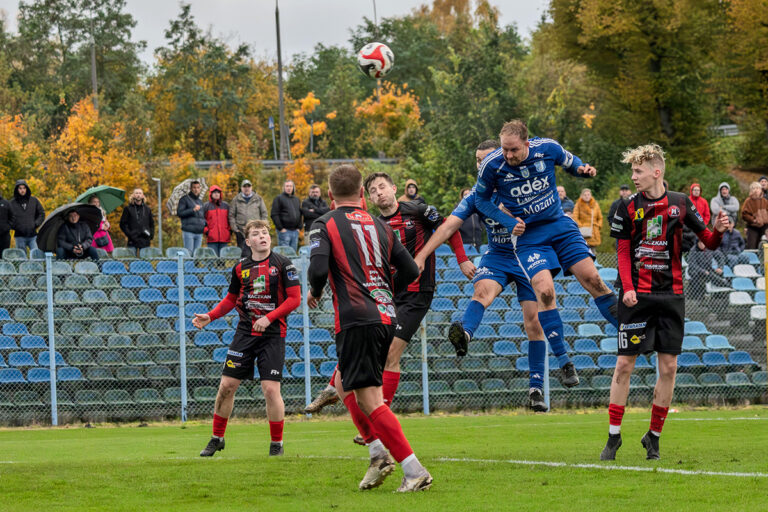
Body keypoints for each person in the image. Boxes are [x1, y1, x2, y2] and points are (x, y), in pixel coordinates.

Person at [418, 140, 579, 411]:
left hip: (528, 253)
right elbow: (447, 227)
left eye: (486, 159)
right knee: (482, 291)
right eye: (478, 160)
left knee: (533, 323)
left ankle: (536, 388)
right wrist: (426, 256)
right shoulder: (476, 196)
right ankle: (464, 335)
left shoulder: (519, 185)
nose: (482, 164)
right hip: (498, 255)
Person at [305, 172, 470, 435]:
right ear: (367, 197)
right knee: (370, 341)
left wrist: (462, 259)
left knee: (391, 352)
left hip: (416, 292)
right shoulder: (375, 225)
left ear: (394, 188)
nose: (378, 192)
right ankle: (334, 386)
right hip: (387, 293)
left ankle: (377, 417)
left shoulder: (417, 210)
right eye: (373, 190)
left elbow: (450, 227)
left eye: (382, 187)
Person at [307, 164, 431, 492]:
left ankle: (413, 470)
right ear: (362, 193)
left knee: (372, 401)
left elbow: (317, 270)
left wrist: (315, 291)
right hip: (386, 315)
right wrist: (383, 290)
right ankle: (377, 455)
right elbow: (410, 270)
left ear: (330, 195)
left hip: (356, 318)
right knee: (344, 384)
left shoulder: (324, 223)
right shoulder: (381, 225)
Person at [601, 144, 728, 461]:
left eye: (638, 171)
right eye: (633, 171)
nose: (634, 177)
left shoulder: (681, 203)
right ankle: (614, 436)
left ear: (656, 172)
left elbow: (709, 241)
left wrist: (719, 231)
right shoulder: (627, 206)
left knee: (669, 367)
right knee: (624, 364)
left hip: (671, 296)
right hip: (636, 297)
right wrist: (627, 288)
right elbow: (622, 252)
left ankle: (653, 437)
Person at [473, 120, 619, 371]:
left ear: (526, 144)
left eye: (513, 150)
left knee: (593, 279)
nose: (508, 155)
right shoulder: (491, 165)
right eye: (504, 149)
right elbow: (481, 201)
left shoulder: (547, 147)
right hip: (529, 237)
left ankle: (629, 332)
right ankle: (564, 362)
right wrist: (508, 221)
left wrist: (582, 169)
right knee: (545, 291)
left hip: (559, 225)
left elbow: (571, 162)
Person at [194, 220, 300, 458]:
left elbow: (294, 299)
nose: (262, 236)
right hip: (244, 333)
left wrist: (269, 318)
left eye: (265, 233)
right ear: (248, 241)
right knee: (226, 386)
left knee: (270, 390)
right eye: (256, 234)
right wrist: (210, 316)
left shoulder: (284, 264)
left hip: (273, 335)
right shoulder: (240, 267)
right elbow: (231, 299)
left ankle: (276, 444)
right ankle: (217, 438)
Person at [228, 179, 268, 250]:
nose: (246, 188)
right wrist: (235, 229)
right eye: (244, 187)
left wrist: (261, 227)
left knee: (256, 250)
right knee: (243, 251)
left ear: (251, 187)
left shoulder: (258, 198)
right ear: (241, 188)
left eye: (248, 186)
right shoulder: (236, 199)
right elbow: (231, 215)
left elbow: (264, 213)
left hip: (255, 230)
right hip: (241, 231)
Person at [9, 179, 45, 252]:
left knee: (36, 256)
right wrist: (16, 226)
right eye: (20, 188)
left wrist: (35, 224)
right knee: (22, 257)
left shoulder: (34, 201)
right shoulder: (12, 203)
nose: (22, 190)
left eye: (24, 188)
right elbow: (7, 218)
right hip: (19, 236)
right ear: (17, 190)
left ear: (26, 189)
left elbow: (41, 213)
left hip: (33, 236)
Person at [119, 188, 154, 255]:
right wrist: (130, 234)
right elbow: (122, 224)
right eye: (136, 193)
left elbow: (152, 224)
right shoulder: (128, 209)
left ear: (143, 195)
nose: (138, 195)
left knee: (145, 260)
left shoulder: (147, 209)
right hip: (132, 239)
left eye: (140, 193)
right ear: (133, 195)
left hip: (145, 239)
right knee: (131, 259)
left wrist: (151, 235)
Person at [270, 180, 302, 252]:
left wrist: (299, 227)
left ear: (293, 188)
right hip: (284, 231)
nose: (289, 188)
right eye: (287, 186)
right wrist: (281, 228)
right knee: (284, 254)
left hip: (295, 231)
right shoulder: (279, 198)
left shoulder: (296, 199)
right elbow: (274, 214)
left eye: (290, 186)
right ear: (284, 188)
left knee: (293, 253)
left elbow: (300, 213)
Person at [177, 180, 206, 254]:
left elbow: (202, 216)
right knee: (189, 253)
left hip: (199, 232)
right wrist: (192, 210)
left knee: (197, 254)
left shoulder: (200, 201)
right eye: (194, 187)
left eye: (198, 187)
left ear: (200, 189)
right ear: (191, 188)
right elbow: (180, 213)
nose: (196, 189)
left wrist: (204, 224)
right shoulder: (184, 199)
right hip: (188, 231)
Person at [203, 185, 231, 256]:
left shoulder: (226, 206)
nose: (216, 194)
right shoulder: (206, 206)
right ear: (211, 194)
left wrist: (229, 231)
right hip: (211, 238)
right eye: (214, 192)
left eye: (218, 192)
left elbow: (230, 219)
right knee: (213, 258)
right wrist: (207, 231)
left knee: (223, 259)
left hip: (224, 237)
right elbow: (202, 220)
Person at [741, 182, 768, 249]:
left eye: (758, 188)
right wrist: (753, 220)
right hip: (752, 227)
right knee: (752, 246)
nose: (757, 190)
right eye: (755, 188)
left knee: (763, 246)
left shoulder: (765, 201)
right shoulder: (748, 201)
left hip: (764, 227)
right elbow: (744, 214)